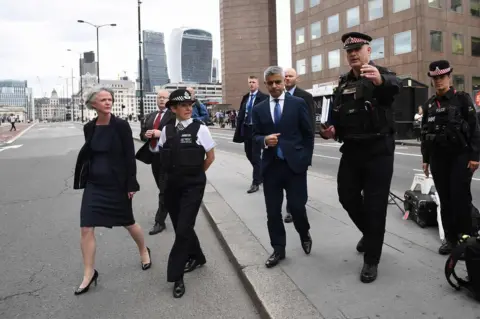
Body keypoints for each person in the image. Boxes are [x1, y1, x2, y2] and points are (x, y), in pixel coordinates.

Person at [320, 32, 401, 283]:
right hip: (352, 150)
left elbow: (393, 87)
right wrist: (331, 131)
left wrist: (380, 81)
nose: (353, 54)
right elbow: (339, 116)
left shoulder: (381, 75)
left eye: (358, 49)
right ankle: (371, 233)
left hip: (379, 151)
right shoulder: (343, 83)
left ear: (369, 51)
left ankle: (371, 260)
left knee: (376, 206)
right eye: (349, 51)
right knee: (347, 196)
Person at [73, 87, 151, 295]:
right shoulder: (89, 127)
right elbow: (90, 154)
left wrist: (131, 184)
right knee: (86, 227)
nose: (108, 102)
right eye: (103, 100)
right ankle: (89, 272)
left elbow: (128, 156)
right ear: (93, 104)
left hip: (117, 183)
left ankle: (143, 250)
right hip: (94, 184)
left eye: (110, 99)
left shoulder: (121, 126)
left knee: (128, 222)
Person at [155, 88, 216, 298]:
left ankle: (176, 275)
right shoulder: (167, 130)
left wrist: (196, 175)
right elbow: (161, 155)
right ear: (173, 108)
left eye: (190, 104)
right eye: (183, 105)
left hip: (192, 186)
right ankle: (198, 257)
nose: (188, 108)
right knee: (184, 227)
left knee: (181, 231)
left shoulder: (201, 129)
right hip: (172, 187)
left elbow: (210, 157)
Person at [252, 66, 314, 268]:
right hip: (271, 168)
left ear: (283, 82)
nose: (274, 86)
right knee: (272, 212)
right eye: (270, 83)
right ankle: (278, 249)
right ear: (265, 84)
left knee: (297, 208)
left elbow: (308, 134)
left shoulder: (298, 104)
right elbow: (253, 136)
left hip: (294, 167)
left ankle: (304, 233)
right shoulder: (259, 109)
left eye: (278, 81)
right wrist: (263, 140)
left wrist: (305, 160)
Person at [420, 60, 480, 255]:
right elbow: (425, 134)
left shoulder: (462, 99)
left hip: (460, 157)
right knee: (445, 200)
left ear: (449, 78)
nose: (438, 81)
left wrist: (475, 156)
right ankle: (450, 239)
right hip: (438, 159)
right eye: (435, 78)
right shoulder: (429, 105)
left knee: (460, 198)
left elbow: (474, 129)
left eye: (442, 77)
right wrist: (426, 159)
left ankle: (466, 239)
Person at [138, 89, 175, 235]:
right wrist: (145, 135)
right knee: (163, 188)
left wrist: (162, 134)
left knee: (164, 190)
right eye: (159, 97)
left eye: (164, 97)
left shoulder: (174, 115)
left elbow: (179, 132)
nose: (161, 100)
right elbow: (142, 135)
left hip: (168, 158)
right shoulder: (150, 116)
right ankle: (173, 206)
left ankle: (159, 221)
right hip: (154, 158)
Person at [283, 67, 316, 223]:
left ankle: (296, 209)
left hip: (299, 148)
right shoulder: (279, 97)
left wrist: (307, 153)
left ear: (297, 78)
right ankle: (292, 208)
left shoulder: (305, 97)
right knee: (287, 181)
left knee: (298, 182)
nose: (287, 78)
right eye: (286, 76)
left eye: (290, 76)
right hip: (282, 148)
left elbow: (309, 127)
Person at [233, 75, 269, 193]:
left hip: (257, 130)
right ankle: (261, 174)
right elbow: (242, 114)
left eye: (253, 82)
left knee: (255, 155)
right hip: (246, 129)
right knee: (248, 154)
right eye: (249, 82)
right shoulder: (246, 98)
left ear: (258, 84)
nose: (251, 84)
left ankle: (255, 182)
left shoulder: (264, 97)